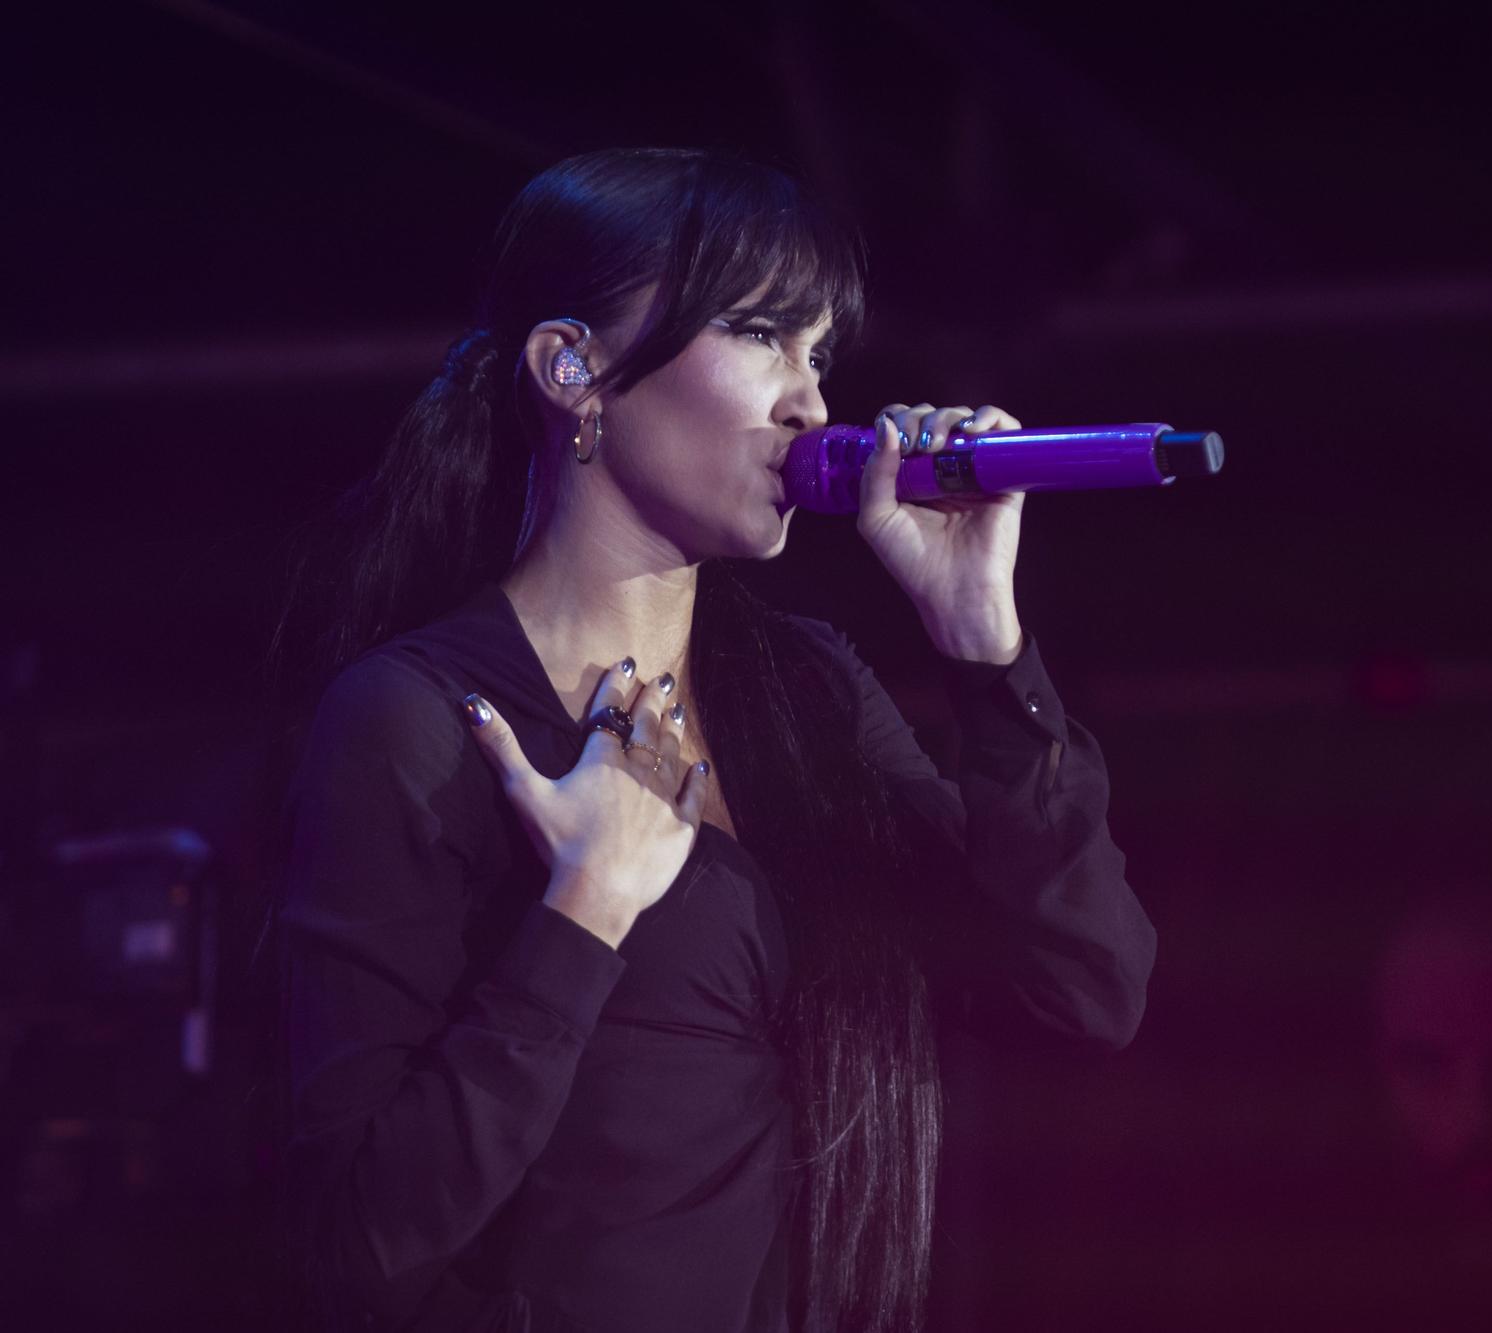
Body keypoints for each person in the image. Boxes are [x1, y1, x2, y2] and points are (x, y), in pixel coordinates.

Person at [276, 147, 1156, 1333]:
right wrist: (580, 914)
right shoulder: (419, 722)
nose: (810, 402)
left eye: (819, 354)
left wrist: (985, 651)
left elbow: (1086, 989)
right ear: (572, 368)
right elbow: (353, 1244)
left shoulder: (809, 696)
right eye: (758, 334)